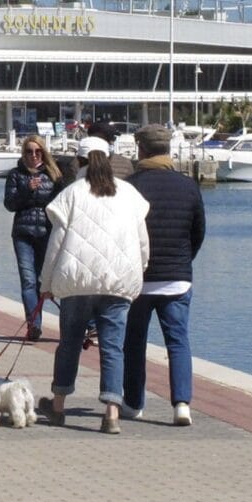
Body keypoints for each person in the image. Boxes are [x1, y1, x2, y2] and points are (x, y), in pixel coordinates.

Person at [39, 137, 150, 434]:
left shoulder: (71, 193)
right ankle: (112, 413)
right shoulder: (128, 193)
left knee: (69, 344)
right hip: (118, 282)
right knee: (113, 347)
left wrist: (45, 283)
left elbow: (56, 244)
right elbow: (142, 242)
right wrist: (140, 269)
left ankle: (59, 406)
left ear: (80, 160)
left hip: (76, 282)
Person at [123, 124, 206, 427]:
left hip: (139, 279)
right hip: (177, 277)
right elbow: (198, 232)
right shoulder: (188, 186)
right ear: (168, 150)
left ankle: (133, 403)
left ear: (141, 150)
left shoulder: (129, 187)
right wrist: (184, 260)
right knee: (178, 341)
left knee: (134, 342)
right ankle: (181, 404)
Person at [2, 134, 63, 341]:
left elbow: (62, 203)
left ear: (44, 153)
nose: (33, 155)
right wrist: (27, 190)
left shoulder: (54, 175)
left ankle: (82, 323)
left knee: (43, 281)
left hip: (46, 233)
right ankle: (34, 324)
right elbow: (10, 204)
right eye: (29, 151)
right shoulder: (16, 175)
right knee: (28, 280)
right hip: (23, 233)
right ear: (23, 153)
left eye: (38, 151)